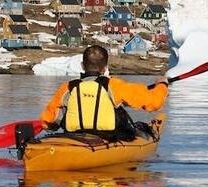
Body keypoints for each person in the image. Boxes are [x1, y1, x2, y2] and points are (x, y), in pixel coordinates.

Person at [39, 44, 168, 140]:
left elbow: (48, 121)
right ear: (105, 68)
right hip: (109, 137)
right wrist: (162, 85)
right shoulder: (114, 86)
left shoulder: (67, 88)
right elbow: (155, 103)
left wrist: (48, 125)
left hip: (73, 137)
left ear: (83, 66)